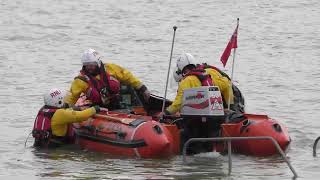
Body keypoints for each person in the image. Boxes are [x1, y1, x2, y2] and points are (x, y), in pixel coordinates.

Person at [64, 48, 150, 109]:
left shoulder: (110, 68)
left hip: (117, 100)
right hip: (99, 107)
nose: (89, 67)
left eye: (91, 64)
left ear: (98, 63)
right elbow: (72, 96)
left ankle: (139, 111)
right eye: (86, 65)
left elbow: (127, 76)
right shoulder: (80, 80)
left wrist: (142, 87)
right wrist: (66, 107)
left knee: (127, 87)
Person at [160, 53, 234, 116]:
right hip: (216, 115)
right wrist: (230, 106)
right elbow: (227, 84)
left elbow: (178, 103)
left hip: (198, 120)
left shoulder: (186, 81)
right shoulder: (210, 72)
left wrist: (166, 112)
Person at [32, 88, 100, 148]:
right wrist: (94, 109)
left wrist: (74, 108)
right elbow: (82, 116)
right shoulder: (60, 114)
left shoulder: (43, 110)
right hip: (56, 149)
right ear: (58, 101)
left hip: (41, 146)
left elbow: (65, 112)